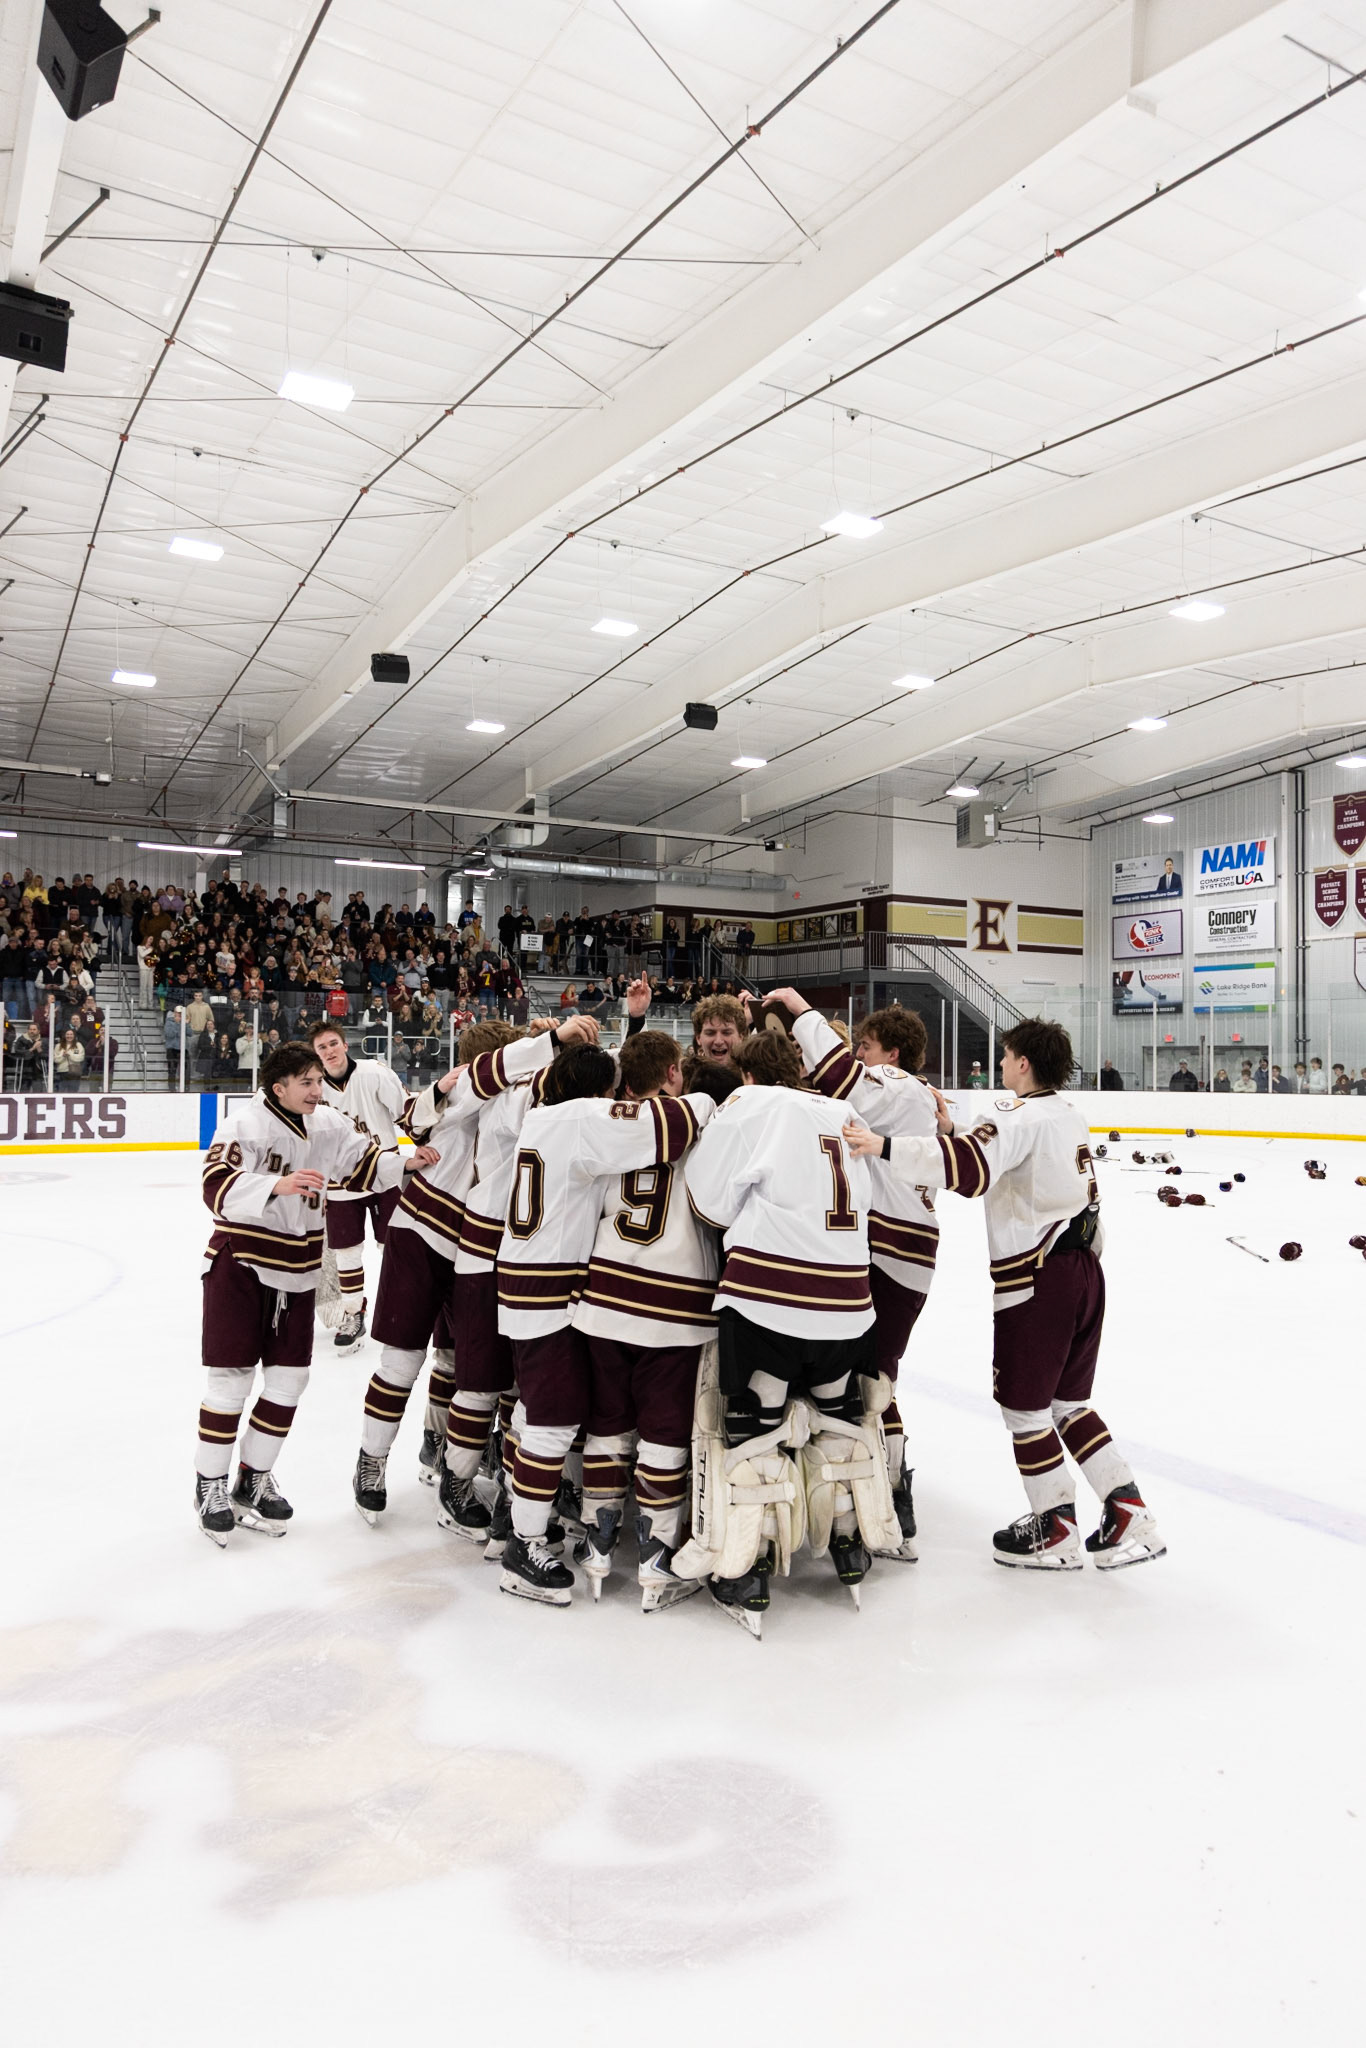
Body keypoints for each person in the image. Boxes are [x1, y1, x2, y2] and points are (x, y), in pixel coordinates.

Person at [844, 1017, 1164, 1573]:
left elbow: (970, 1172)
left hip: (1038, 1279)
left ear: (1022, 1063)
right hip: (1085, 1270)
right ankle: (1127, 1508)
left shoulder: (1014, 1112)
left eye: (1006, 1054)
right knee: (1068, 1404)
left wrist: (884, 1145)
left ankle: (1055, 1526)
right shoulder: (1067, 1114)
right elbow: (1000, 1151)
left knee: (1024, 1408)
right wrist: (953, 1131)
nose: (999, 1064)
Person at [676, 1029, 898, 1634]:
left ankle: (748, 1566)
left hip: (770, 1300)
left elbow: (709, 1202)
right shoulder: (840, 1108)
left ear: (747, 1074)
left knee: (756, 1430)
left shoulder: (750, 1103)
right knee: (839, 1418)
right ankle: (849, 1542)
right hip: (850, 1301)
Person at [354, 1013, 600, 1532]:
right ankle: (372, 1460)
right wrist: (552, 1040)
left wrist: (550, 1047)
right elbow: (439, 1103)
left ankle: (445, 1450)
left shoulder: (506, 1096)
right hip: (423, 1233)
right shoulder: (464, 1087)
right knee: (402, 1361)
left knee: (464, 1364)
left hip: (477, 1248)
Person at [494, 1044, 715, 1607]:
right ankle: (523, 1544)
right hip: (551, 1284)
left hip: (532, 1277)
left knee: (541, 1414)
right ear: (598, 1092)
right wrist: (710, 1097)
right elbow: (674, 1122)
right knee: (553, 1422)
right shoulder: (585, 1118)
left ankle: (520, 1515)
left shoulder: (542, 1116)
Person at [193, 1040, 414, 1546]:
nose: (318, 1090)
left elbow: (365, 1164)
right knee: (230, 1381)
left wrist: (407, 1163)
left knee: (290, 1380)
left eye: (319, 1081)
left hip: (297, 1270)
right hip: (242, 1265)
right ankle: (209, 1485)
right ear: (279, 1088)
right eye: (308, 1083)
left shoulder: (328, 1123)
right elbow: (214, 1185)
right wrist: (277, 1185)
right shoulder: (244, 1125)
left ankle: (253, 1477)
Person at [774, 991, 939, 1561]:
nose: (860, 1055)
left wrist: (800, 1010)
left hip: (889, 1250)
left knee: (866, 1378)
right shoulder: (914, 1099)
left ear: (892, 1055)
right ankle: (885, 1490)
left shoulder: (897, 1086)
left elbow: (844, 1078)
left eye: (867, 1047)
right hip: (905, 1253)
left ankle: (888, 1492)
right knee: (873, 1374)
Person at [572, 1028, 721, 1610]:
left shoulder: (607, 1124)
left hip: (606, 1291)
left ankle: (598, 1541)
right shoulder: (701, 1121)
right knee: (664, 1433)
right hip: (675, 1301)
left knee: (607, 1423)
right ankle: (656, 1557)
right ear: (675, 1072)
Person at [307, 1021, 411, 1350]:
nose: (329, 1051)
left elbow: (407, 1114)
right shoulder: (312, 1088)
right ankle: (353, 1313)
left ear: (345, 1044)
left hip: (383, 1175)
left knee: (396, 1248)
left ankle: (406, 1308)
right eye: (322, 1048)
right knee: (346, 1253)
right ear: (315, 1054)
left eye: (332, 1044)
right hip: (339, 1184)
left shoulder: (374, 1073)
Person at [691, 992, 749, 1063]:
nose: (718, 1041)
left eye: (726, 1033)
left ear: (741, 1037)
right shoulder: (684, 1070)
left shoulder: (755, 1069)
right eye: (710, 1033)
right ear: (698, 1038)